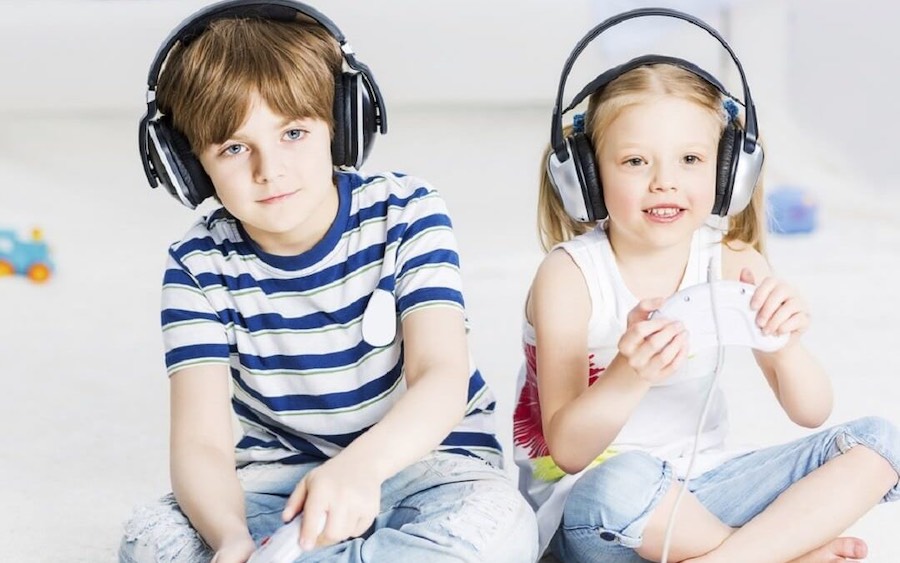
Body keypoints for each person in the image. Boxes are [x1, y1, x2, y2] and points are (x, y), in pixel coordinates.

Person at [119, 2, 538, 562]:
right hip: (278, 481)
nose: (269, 170)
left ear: (341, 126)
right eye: (235, 148)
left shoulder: (407, 212)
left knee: (499, 530)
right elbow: (201, 445)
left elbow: (442, 377)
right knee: (151, 538)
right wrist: (231, 539)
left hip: (426, 465)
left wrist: (360, 469)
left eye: (293, 132)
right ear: (189, 167)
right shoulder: (196, 265)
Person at [512, 14, 900, 563]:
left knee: (879, 443)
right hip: (604, 514)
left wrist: (785, 345)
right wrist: (630, 374)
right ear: (587, 178)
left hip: (707, 497)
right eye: (634, 161)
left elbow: (811, 411)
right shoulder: (570, 276)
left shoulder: (731, 263)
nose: (664, 181)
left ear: (727, 175)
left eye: (691, 159)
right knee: (623, 480)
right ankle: (779, 553)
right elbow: (570, 452)